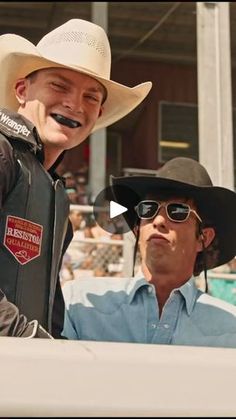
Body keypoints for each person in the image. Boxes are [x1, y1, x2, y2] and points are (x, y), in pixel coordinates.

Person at [0, 18, 152, 337]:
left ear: (98, 114)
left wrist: (56, 346)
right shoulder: (3, 153)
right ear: (22, 90)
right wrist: (26, 338)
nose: (74, 104)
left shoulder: (54, 193)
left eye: (91, 97)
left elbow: (49, 302)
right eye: (59, 85)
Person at [62, 157, 236, 348]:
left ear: (204, 237)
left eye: (177, 211)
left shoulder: (230, 329)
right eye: (148, 209)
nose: (159, 220)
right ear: (138, 230)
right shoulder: (79, 303)